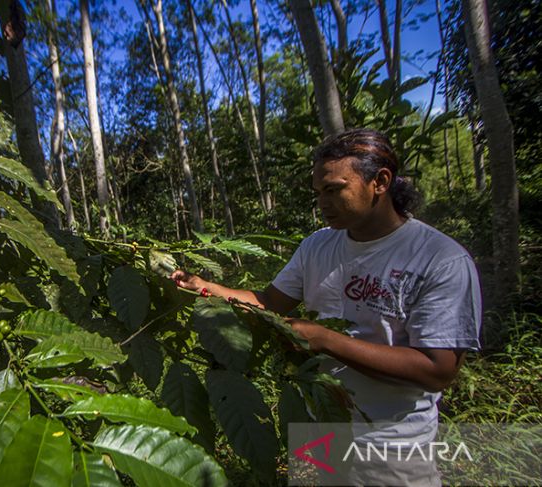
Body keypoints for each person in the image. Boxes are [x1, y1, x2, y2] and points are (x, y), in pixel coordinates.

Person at [171, 128, 482, 486]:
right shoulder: (318, 246)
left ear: (380, 181)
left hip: (392, 448)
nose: (323, 202)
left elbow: (437, 369)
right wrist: (207, 287)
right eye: (319, 193)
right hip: (326, 434)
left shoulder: (438, 259)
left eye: (334, 189)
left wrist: (324, 340)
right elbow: (268, 302)